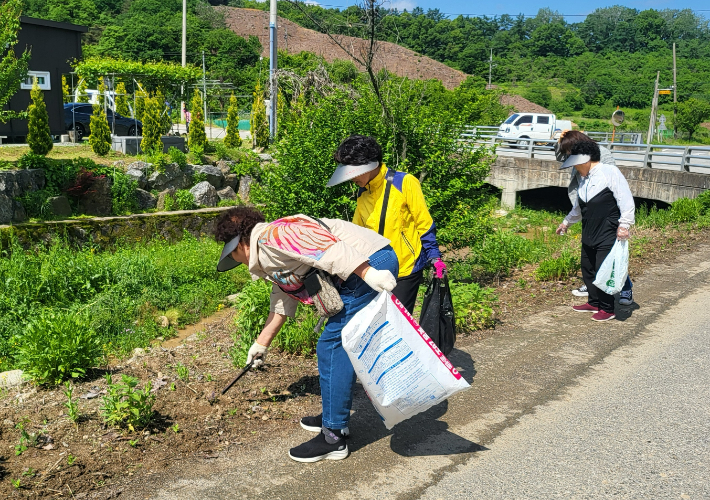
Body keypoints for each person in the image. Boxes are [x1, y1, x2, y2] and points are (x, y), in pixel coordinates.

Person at [215, 207, 399, 462]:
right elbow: (283, 294)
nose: (235, 260)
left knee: (332, 345)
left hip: (370, 262)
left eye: (232, 252)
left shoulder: (274, 236)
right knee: (335, 344)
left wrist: (369, 273)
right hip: (363, 265)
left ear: (240, 243)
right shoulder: (269, 252)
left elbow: (331, 249)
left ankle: (333, 436)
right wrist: (261, 344)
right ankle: (334, 419)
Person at [327, 135, 446, 314]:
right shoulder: (363, 193)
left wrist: (435, 258)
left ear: (368, 164)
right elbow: (356, 233)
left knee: (396, 324)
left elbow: (424, 223)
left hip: (405, 269)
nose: (351, 179)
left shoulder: (404, 182)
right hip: (375, 271)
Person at [555, 141, 635, 321]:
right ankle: (594, 301)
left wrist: (624, 225)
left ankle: (607, 309)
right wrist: (566, 223)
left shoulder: (609, 172)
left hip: (608, 229)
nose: (574, 168)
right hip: (589, 229)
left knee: (603, 269)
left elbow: (626, 200)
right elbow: (578, 207)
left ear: (584, 160)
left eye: (575, 163)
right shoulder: (584, 179)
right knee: (588, 267)